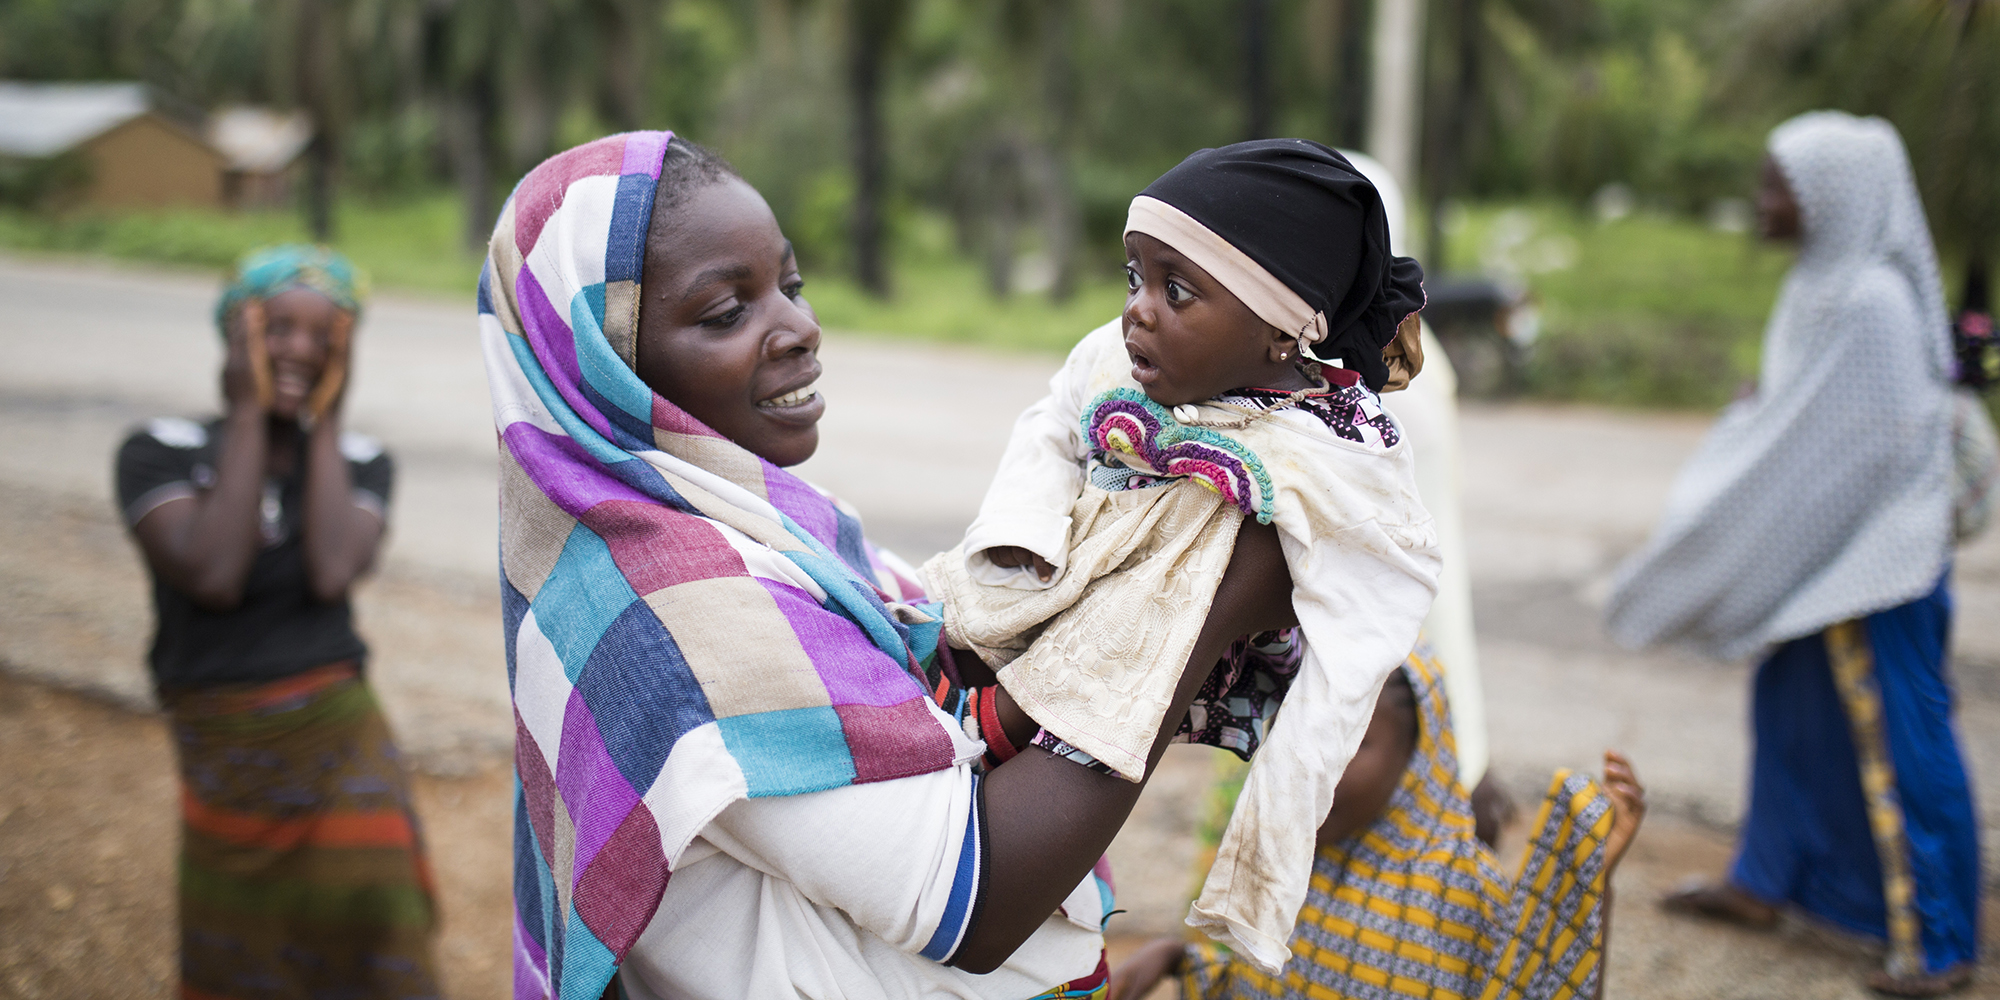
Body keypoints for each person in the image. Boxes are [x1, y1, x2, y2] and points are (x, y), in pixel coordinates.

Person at [483, 131, 1302, 1000]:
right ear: (601, 364)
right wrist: (1201, 603)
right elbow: (977, 899)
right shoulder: (667, 611)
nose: (797, 328)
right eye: (728, 312)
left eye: (789, 286)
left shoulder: (759, 532)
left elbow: (951, 668)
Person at [924, 138, 1439, 974]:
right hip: (1074, 585)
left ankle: (1010, 719)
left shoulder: (1341, 448)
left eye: (1179, 289)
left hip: (1188, 642)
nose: (1139, 309)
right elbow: (1051, 421)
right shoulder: (1117, 356)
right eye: (1135, 277)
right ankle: (984, 683)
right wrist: (1017, 545)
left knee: (1198, 537)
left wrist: (1272, 840)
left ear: (1283, 329)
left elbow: (1380, 602)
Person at [1605, 111, 1979, 996]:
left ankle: (1940, 941)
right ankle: (1768, 883)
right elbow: (1799, 420)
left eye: (1778, 185)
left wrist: (1744, 487)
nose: (1763, 201)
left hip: (1875, 568)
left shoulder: (1870, 305)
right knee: (1791, 713)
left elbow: (1854, 453)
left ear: (1833, 197)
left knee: (1894, 739)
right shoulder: (1823, 285)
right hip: (1828, 559)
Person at [114, 246, 437, 999]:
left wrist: (326, 420)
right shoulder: (159, 450)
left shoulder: (362, 460)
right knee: (242, 954)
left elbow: (330, 570)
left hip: (337, 742)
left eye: (324, 337)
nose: (299, 350)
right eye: (276, 330)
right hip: (226, 746)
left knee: (379, 930)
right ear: (234, 333)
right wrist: (247, 414)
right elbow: (214, 574)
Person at [1104, 650, 1646, 999]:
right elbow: (1267, 987)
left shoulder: (1466, 894)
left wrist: (1588, 884)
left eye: (1355, 743)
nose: (1316, 765)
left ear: (1418, 757)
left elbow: (1540, 983)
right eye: (1301, 734)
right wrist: (1177, 959)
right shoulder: (1288, 863)